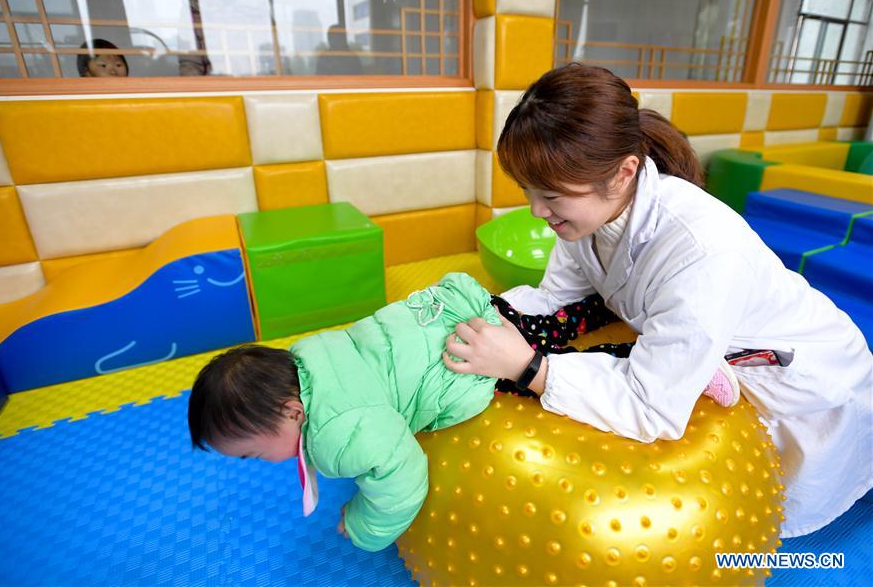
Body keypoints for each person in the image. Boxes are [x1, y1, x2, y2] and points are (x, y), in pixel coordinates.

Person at [443, 63, 873, 539]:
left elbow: (652, 407)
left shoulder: (702, 250)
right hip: (719, 340)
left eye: (552, 196)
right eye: (528, 191)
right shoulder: (587, 216)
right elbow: (554, 297)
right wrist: (485, 311)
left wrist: (529, 367)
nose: (537, 211)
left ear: (625, 172)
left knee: (762, 525)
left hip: (806, 382)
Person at [187, 271, 742, 552]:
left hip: (466, 365)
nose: (264, 462)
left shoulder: (334, 437)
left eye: (257, 452)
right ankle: (597, 301)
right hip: (462, 310)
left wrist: (363, 524)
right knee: (540, 329)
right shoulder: (308, 353)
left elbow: (402, 477)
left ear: (291, 412)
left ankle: (684, 372)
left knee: (553, 371)